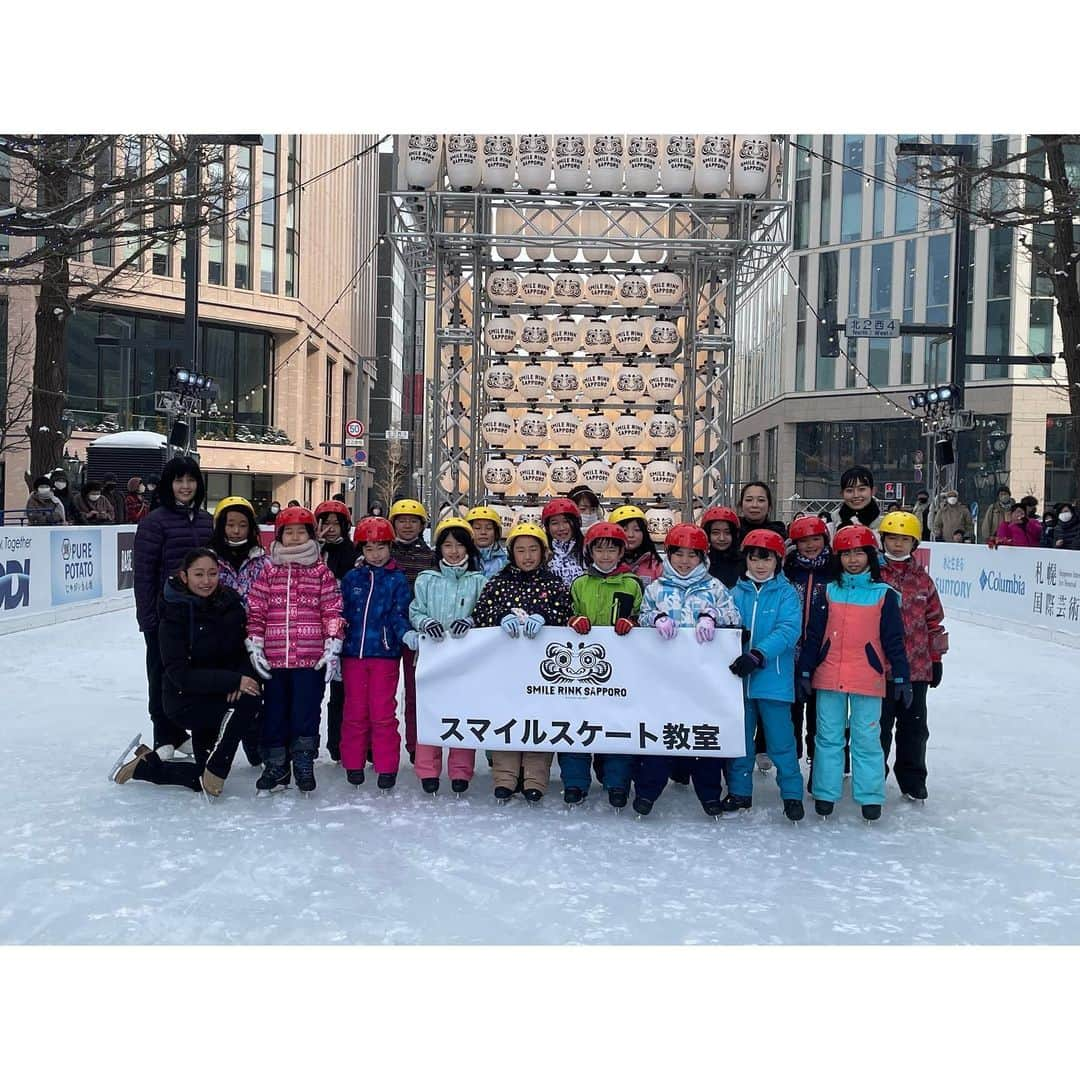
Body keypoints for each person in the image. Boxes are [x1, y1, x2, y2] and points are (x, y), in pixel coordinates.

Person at [110, 548, 263, 796]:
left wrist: (241, 677)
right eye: (199, 574)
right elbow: (179, 674)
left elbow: (243, 649)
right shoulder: (173, 613)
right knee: (248, 701)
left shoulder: (230, 603)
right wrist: (233, 681)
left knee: (201, 781)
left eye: (212, 574)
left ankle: (146, 767)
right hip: (185, 700)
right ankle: (217, 766)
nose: (206, 581)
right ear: (184, 576)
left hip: (220, 692)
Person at [798, 524, 911, 821]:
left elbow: (894, 641)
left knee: (866, 737)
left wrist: (901, 676)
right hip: (829, 675)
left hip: (867, 676)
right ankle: (825, 792)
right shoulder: (829, 591)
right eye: (846, 554)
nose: (853, 560)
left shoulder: (884, 595)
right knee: (827, 737)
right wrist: (806, 671)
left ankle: (871, 795)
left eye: (859, 553)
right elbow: (814, 635)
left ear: (870, 556)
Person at [635, 523, 740, 817]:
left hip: (704, 679)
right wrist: (655, 618)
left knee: (703, 736)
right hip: (665, 678)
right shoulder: (656, 588)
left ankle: (709, 794)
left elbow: (735, 617)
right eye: (678, 554)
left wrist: (712, 616)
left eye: (692, 555)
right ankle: (647, 792)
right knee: (664, 734)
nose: (684, 561)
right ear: (668, 555)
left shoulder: (715, 587)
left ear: (702, 557)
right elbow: (641, 616)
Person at [243, 506, 344, 794]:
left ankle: (303, 762)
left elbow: (333, 609)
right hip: (274, 660)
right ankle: (276, 765)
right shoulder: (268, 571)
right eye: (289, 532)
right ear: (279, 536)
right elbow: (256, 610)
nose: (296, 537)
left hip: (309, 660)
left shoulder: (321, 572)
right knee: (274, 713)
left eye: (302, 532)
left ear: (311, 535)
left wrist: (332, 643)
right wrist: (255, 645)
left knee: (306, 712)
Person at [472, 522, 574, 803]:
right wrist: (499, 618)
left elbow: (565, 610)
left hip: (543, 672)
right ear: (511, 553)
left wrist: (545, 617)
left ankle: (535, 778)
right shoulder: (499, 581)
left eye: (533, 550)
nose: (527, 556)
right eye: (520, 550)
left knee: (539, 720)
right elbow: (482, 611)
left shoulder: (553, 582)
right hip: (504, 670)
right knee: (506, 719)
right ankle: (505, 777)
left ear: (543, 552)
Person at [133, 457, 213, 754]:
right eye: (179, 481)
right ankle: (164, 733)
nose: (185, 486)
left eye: (190, 480)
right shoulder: (154, 521)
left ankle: (186, 732)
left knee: (190, 673)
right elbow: (144, 574)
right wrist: (148, 618)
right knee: (161, 672)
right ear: (168, 485)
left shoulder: (206, 520)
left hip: (199, 614)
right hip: (164, 614)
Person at [724, 529, 805, 821]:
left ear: (777, 561)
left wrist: (757, 654)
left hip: (774, 681)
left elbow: (788, 630)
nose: (760, 565)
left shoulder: (786, 593)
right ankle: (740, 792)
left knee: (781, 741)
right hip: (740, 683)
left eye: (766, 559)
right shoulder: (734, 592)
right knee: (741, 742)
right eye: (754, 558)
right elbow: (725, 623)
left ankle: (792, 794)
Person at [564, 520, 642, 808]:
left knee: (617, 725)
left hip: (620, 672)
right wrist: (572, 621)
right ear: (590, 552)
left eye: (612, 550)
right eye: (600, 550)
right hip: (581, 670)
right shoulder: (580, 584)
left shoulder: (632, 584)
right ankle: (575, 781)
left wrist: (632, 622)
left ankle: (617, 782)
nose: (606, 556)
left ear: (622, 552)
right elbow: (568, 612)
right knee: (577, 723)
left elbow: (643, 615)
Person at [408, 517, 487, 795]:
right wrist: (424, 622)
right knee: (429, 712)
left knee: (462, 713)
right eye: (448, 545)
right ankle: (428, 769)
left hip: (466, 662)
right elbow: (416, 610)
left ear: (469, 549)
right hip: (432, 659)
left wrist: (473, 621)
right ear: (439, 549)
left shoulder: (478, 580)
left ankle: (461, 770)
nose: (453, 552)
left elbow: (485, 614)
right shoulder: (427, 579)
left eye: (459, 546)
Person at [339, 516, 413, 790]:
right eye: (369, 549)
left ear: (390, 547)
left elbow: (399, 613)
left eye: (381, 548)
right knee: (355, 711)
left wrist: (402, 633)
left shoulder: (397, 579)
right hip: (353, 654)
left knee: (382, 712)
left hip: (384, 655)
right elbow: (341, 611)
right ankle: (353, 763)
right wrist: (336, 638)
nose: (376, 554)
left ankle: (386, 765)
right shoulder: (352, 578)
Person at [878, 512, 948, 802]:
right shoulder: (873, 574)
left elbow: (935, 622)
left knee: (914, 728)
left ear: (914, 543)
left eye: (904, 539)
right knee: (878, 728)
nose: (897, 545)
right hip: (879, 668)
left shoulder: (922, 580)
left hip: (916, 667)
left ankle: (912, 779)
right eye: (892, 538)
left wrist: (936, 658)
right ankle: (872, 777)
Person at [210, 495, 269, 767]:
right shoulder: (208, 559)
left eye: (242, 525)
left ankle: (255, 743)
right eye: (230, 524)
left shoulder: (263, 561)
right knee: (226, 692)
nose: (236, 531)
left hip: (257, 639)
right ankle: (214, 747)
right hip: (219, 640)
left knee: (253, 693)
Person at [782, 514, 841, 786]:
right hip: (790, 655)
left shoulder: (835, 570)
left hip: (824, 655)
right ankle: (791, 769)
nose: (810, 546)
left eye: (815, 539)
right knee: (791, 715)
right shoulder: (787, 569)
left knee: (822, 718)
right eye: (803, 541)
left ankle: (820, 770)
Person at [389, 498, 438, 764]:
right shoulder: (384, 552)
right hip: (385, 630)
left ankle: (416, 742)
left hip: (417, 631)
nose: (407, 525)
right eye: (402, 520)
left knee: (415, 691)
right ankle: (378, 745)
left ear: (422, 525)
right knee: (383, 694)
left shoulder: (430, 556)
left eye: (413, 520)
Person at [314, 500, 357, 761]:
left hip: (345, 628)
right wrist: (316, 546)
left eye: (335, 523)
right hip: (312, 630)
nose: (330, 529)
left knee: (342, 690)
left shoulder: (353, 553)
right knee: (314, 687)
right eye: (325, 522)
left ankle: (339, 743)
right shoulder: (310, 551)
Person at [609, 504, 662, 585]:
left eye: (637, 530)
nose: (630, 535)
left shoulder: (656, 565)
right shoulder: (605, 561)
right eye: (624, 529)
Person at [542, 497, 586, 587]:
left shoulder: (587, 549)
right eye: (554, 523)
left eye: (566, 521)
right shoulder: (542, 551)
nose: (561, 528)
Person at [830, 466, 884, 536]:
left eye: (861, 489)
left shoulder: (885, 525)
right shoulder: (832, 521)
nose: (856, 495)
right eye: (849, 490)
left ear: (873, 491)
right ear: (842, 493)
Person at [700, 505, 744, 589]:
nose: (722, 538)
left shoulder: (744, 563)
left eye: (727, 533)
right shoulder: (699, 562)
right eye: (715, 533)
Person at [466, 505, 509, 579]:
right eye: (477, 528)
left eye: (489, 528)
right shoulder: (461, 557)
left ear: (496, 532)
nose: (483, 532)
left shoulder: (507, 559)